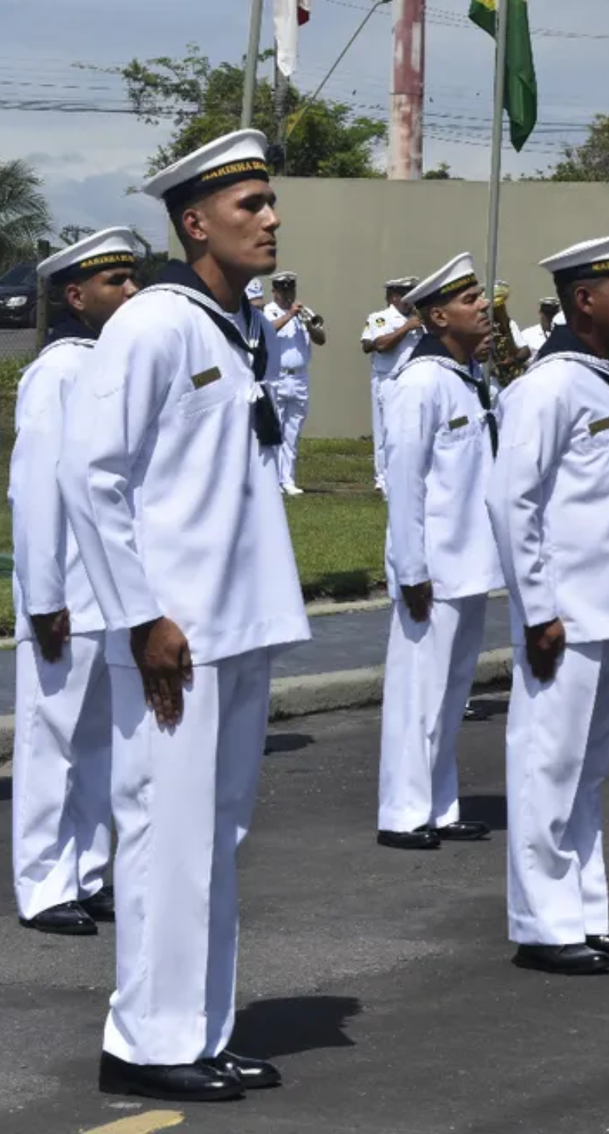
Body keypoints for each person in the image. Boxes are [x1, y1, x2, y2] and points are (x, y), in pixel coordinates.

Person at [60, 128, 310, 1101]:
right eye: (251, 206)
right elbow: (94, 476)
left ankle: (196, 1031)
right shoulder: (155, 324)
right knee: (166, 837)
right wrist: (140, 616)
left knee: (214, 839)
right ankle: (145, 1040)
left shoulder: (228, 323)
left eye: (270, 201)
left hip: (231, 626)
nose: (271, 218)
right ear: (195, 221)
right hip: (174, 635)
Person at [488, 230, 609, 975]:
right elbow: (511, 502)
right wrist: (537, 609)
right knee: (546, 769)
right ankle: (543, 925)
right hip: (570, 612)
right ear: (584, 300)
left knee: (586, 775)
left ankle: (584, 912)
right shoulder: (550, 386)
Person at [10, 229, 139, 937]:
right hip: (66, 592)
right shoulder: (60, 369)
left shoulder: (107, 364)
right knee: (49, 738)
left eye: (131, 280)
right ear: (75, 294)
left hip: (112, 591)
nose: (130, 293)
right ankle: (42, 882)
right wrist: (42, 595)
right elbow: (35, 490)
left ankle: (87, 873)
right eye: (114, 283)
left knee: (98, 744)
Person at [373, 254, 501, 850]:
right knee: (417, 691)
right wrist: (410, 566)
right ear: (437, 315)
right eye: (471, 299)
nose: (484, 305)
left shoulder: (465, 377)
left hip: (469, 560)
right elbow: (404, 481)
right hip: (433, 566)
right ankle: (403, 811)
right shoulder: (419, 382)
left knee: (451, 693)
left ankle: (439, 805)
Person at [262, 271, 324, 495]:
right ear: (275, 292)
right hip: (276, 376)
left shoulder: (303, 314)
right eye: (283, 291)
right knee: (275, 429)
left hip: (299, 377)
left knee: (293, 431)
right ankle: (272, 480)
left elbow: (321, 339)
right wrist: (289, 315)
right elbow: (267, 332)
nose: (288, 295)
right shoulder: (267, 312)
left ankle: (287, 479)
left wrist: (309, 325)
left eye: (291, 291)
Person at [361, 276, 423, 496]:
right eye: (406, 295)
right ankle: (383, 480)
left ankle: (407, 476)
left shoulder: (420, 319)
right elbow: (379, 345)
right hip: (388, 379)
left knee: (412, 431)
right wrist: (407, 327)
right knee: (386, 431)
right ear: (394, 297)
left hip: (413, 380)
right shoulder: (380, 318)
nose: (410, 301)